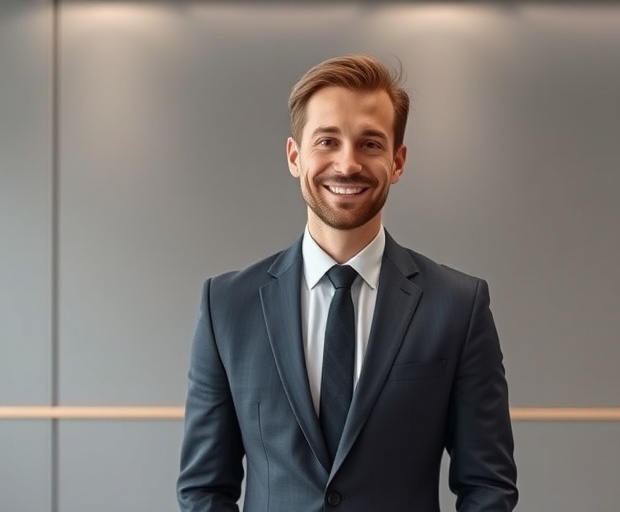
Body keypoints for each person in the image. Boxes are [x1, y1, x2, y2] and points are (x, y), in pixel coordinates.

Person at [176, 54, 518, 512]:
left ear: (397, 162)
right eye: (327, 141)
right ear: (295, 157)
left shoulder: (458, 306)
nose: (347, 163)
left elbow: (488, 488)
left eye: (370, 144)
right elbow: (203, 490)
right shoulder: (227, 306)